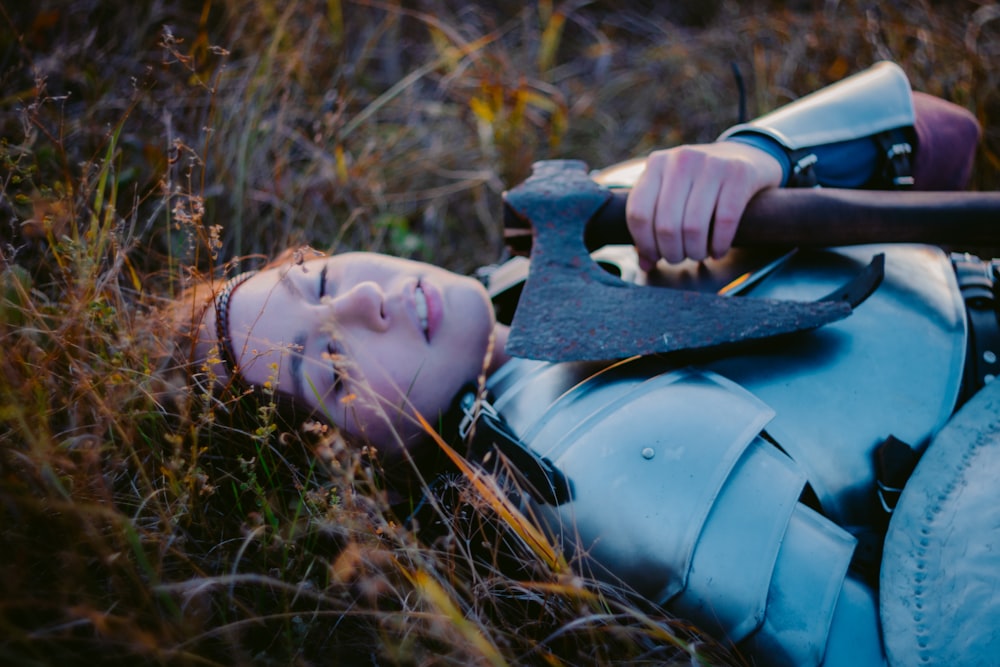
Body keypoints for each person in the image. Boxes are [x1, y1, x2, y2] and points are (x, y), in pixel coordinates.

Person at [178, 61, 987, 666]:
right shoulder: (601, 483)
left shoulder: (548, 247)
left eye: (320, 279)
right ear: (350, 476)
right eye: (330, 365)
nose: (364, 305)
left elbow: (949, 138)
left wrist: (760, 158)